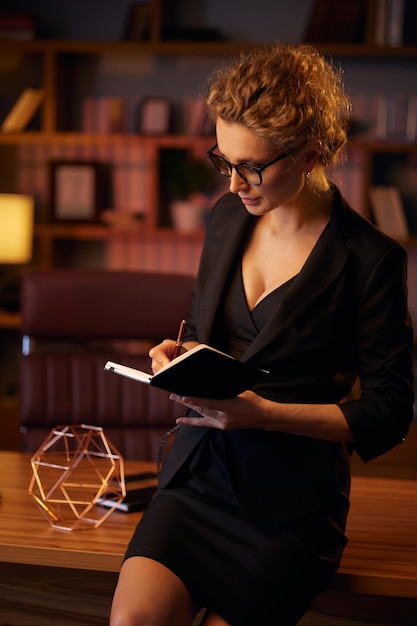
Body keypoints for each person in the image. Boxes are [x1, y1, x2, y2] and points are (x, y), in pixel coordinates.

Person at [110, 42, 414, 626]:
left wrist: (265, 414)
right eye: (224, 161)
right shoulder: (228, 217)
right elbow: (203, 330)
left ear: (311, 153)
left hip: (290, 509)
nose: (233, 185)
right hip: (196, 480)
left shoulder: (371, 259)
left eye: (251, 167)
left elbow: (390, 411)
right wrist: (179, 356)